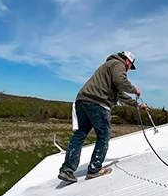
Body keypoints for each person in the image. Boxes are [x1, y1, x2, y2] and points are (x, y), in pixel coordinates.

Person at [58, 51, 147, 183]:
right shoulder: (118, 64)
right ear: (128, 61)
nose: (128, 70)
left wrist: (136, 105)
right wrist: (135, 90)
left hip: (82, 101)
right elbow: (121, 81)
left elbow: (120, 94)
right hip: (97, 102)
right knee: (104, 135)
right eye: (130, 66)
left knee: (80, 134)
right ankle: (94, 170)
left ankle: (67, 170)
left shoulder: (108, 67)